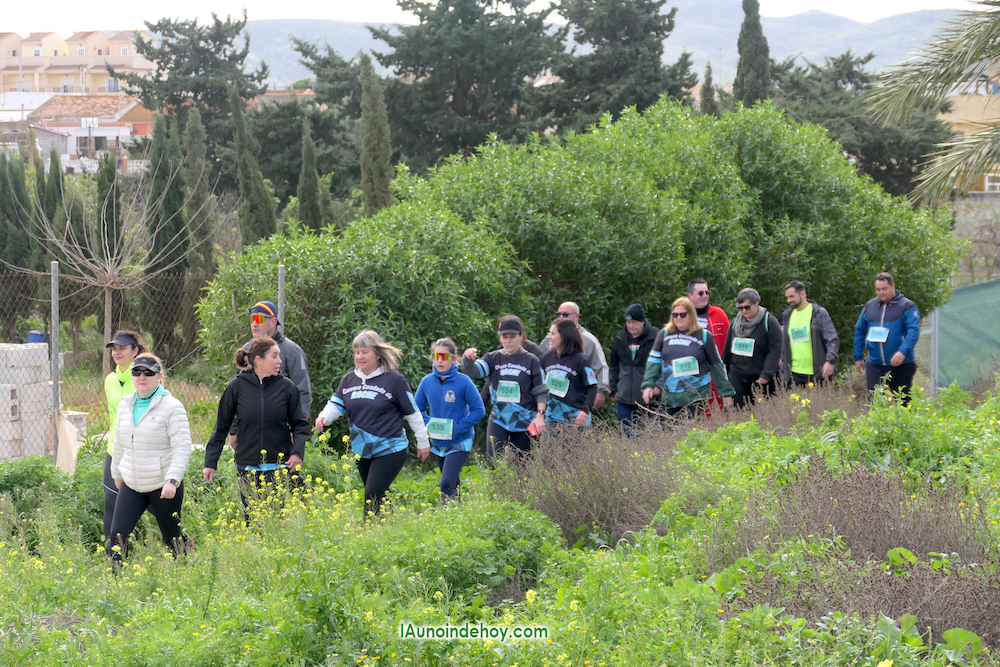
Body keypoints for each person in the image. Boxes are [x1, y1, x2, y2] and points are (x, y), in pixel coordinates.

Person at [315, 330, 431, 516]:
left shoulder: (395, 380)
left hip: (390, 448)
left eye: (365, 352)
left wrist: (423, 441)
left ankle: (367, 530)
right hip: (362, 449)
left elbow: (413, 413)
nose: (359, 356)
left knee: (372, 495)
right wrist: (324, 416)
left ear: (377, 354)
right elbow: (336, 405)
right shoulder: (349, 380)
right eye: (357, 352)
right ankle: (390, 525)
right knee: (379, 495)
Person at [203, 337, 311, 512]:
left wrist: (297, 452)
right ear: (259, 360)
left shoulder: (287, 388)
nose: (279, 361)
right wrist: (210, 462)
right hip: (247, 466)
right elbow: (221, 426)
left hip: (277, 465)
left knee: (274, 519)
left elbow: (300, 424)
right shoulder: (236, 387)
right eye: (274, 356)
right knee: (252, 519)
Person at [108, 354, 193, 564]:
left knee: (172, 539)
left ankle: (185, 570)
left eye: (148, 372)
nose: (142, 377)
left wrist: (172, 480)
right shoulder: (125, 405)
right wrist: (116, 473)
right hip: (132, 483)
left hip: (162, 484)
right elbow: (119, 442)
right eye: (137, 372)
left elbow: (182, 446)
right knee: (117, 535)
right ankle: (113, 579)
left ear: (159, 376)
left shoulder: (172, 407)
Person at [462, 315, 548, 464]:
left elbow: (541, 391)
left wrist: (540, 416)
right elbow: (474, 371)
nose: (508, 341)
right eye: (504, 337)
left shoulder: (532, 360)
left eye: (512, 337)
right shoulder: (493, 358)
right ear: (500, 337)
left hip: (524, 422)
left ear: (521, 336)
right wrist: (467, 359)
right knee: (493, 464)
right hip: (499, 419)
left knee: (523, 469)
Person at [229, 300, 312, 447]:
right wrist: (234, 429)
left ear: (273, 322)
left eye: (259, 319)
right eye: (252, 319)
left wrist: (296, 429)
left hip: (281, 434)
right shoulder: (246, 351)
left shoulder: (292, 352)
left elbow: (303, 393)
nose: (254, 324)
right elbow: (238, 394)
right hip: (250, 434)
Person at [414, 338, 486, 501]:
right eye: (436, 356)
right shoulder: (426, 382)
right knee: (452, 484)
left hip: (460, 440)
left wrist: (458, 428)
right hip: (438, 441)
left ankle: (446, 512)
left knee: (446, 483)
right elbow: (417, 408)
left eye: (444, 357)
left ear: (454, 359)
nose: (440, 360)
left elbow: (479, 410)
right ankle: (457, 513)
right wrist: (427, 424)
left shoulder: (464, 382)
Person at [641, 297, 734, 417]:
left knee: (691, 425)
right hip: (670, 394)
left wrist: (726, 393)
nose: (678, 318)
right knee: (672, 427)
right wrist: (648, 385)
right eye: (675, 315)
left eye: (683, 315)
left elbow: (716, 366)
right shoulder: (663, 334)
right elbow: (653, 361)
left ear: (691, 315)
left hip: (696, 393)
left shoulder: (704, 336)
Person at [853, 272, 921, 405]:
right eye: (878, 289)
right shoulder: (869, 306)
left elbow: (913, 332)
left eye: (884, 289)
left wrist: (902, 352)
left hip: (901, 364)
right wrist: (858, 356)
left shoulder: (907, 306)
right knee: (874, 401)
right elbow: (860, 330)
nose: (881, 293)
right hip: (875, 363)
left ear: (893, 286)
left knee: (903, 402)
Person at [102, 330, 144, 543]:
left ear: (135, 351)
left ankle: (181, 542)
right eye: (114, 349)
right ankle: (115, 552)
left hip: (141, 450)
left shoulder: (143, 377)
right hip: (115, 450)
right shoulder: (110, 380)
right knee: (111, 499)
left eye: (122, 348)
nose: (117, 352)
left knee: (155, 503)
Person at [539, 302, 609, 409]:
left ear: (577, 316)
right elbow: (539, 363)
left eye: (565, 314)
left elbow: (601, 367)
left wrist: (601, 391)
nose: (561, 317)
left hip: (577, 399)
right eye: (559, 314)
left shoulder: (589, 341)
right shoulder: (550, 339)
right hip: (552, 403)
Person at [723, 288, 783, 408]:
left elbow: (775, 350)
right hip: (738, 375)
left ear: (757, 303)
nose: (744, 311)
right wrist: (724, 376)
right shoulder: (735, 324)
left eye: (747, 307)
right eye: (740, 308)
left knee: (765, 413)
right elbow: (727, 351)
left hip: (761, 377)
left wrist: (766, 375)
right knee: (736, 412)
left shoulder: (769, 322)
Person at [608, 304, 659, 436]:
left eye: (634, 322)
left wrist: (658, 386)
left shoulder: (655, 338)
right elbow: (614, 366)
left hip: (649, 397)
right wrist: (613, 387)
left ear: (643, 321)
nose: (631, 326)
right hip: (625, 396)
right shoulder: (620, 338)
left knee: (654, 436)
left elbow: (664, 365)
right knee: (625, 437)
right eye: (628, 322)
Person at [779, 281, 840, 386]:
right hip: (794, 374)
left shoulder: (818, 313)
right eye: (787, 297)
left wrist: (830, 361)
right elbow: (782, 343)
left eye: (792, 296)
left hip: (817, 373)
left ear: (803, 294)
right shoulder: (786, 315)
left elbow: (832, 339)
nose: (789, 300)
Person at [540, 318, 599, 426]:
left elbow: (592, 386)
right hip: (551, 417)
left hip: (575, 419)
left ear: (563, 336)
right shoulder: (546, 357)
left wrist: (585, 410)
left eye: (553, 333)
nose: (549, 337)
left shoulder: (581, 360)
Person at [687, 279, 731, 415]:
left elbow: (730, 342)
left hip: (715, 374)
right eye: (700, 293)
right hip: (692, 377)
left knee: (717, 415)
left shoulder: (718, 314)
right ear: (690, 295)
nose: (705, 296)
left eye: (707, 292)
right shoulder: (683, 317)